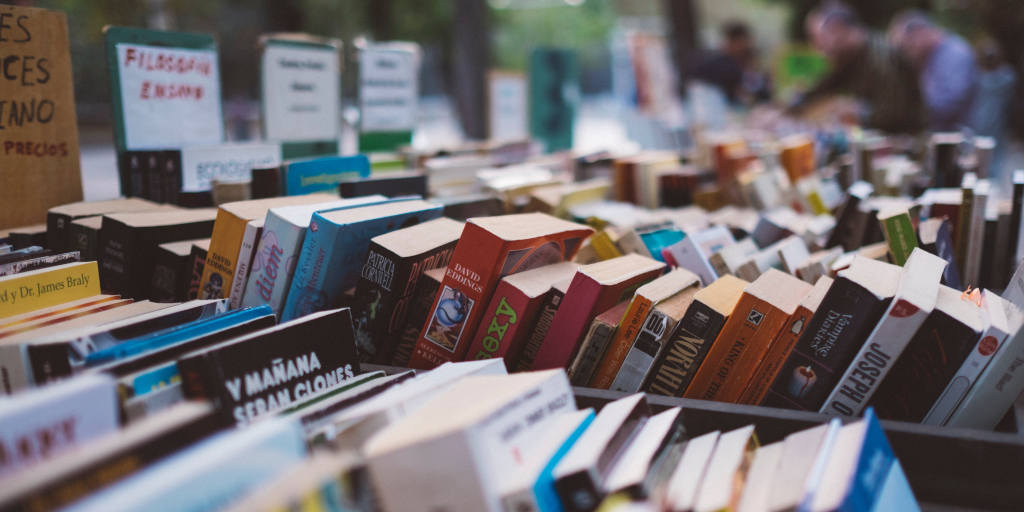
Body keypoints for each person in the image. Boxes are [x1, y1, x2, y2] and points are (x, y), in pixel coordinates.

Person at [788, 2, 927, 134]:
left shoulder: (880, 57)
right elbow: (825, 85)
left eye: (824, 39)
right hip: (885, 141)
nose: (821, 49)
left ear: (839, 29)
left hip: (908, 143)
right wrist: (788, 107)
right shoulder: (851, 57)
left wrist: (854, 111)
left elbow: (892, 115)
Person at [889, 10, 980, 132]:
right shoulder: (931, 56)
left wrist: (905, 107)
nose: (907, 54)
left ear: (920, 33)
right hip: (942, 135)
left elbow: (946, 107)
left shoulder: (955, 55)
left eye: (907, 47)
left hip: (959, 138)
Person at [689, 21, 772, 106]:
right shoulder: (720, 65)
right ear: (732, 42)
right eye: (742, 42)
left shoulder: (734, 63)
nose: (746, 46)